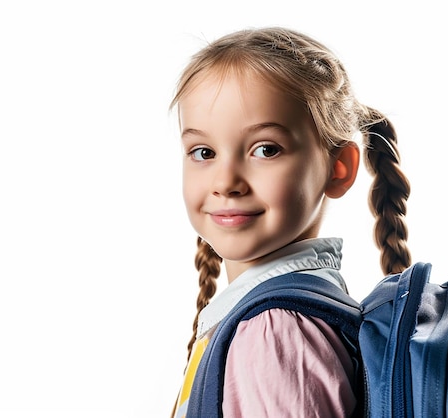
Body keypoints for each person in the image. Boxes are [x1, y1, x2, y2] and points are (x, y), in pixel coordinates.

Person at [169, 26, 411, 418]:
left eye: (266, 149)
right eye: (203, 151)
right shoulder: (275, 317)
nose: (225, 182)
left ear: (338, 168)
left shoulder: (277, 333)